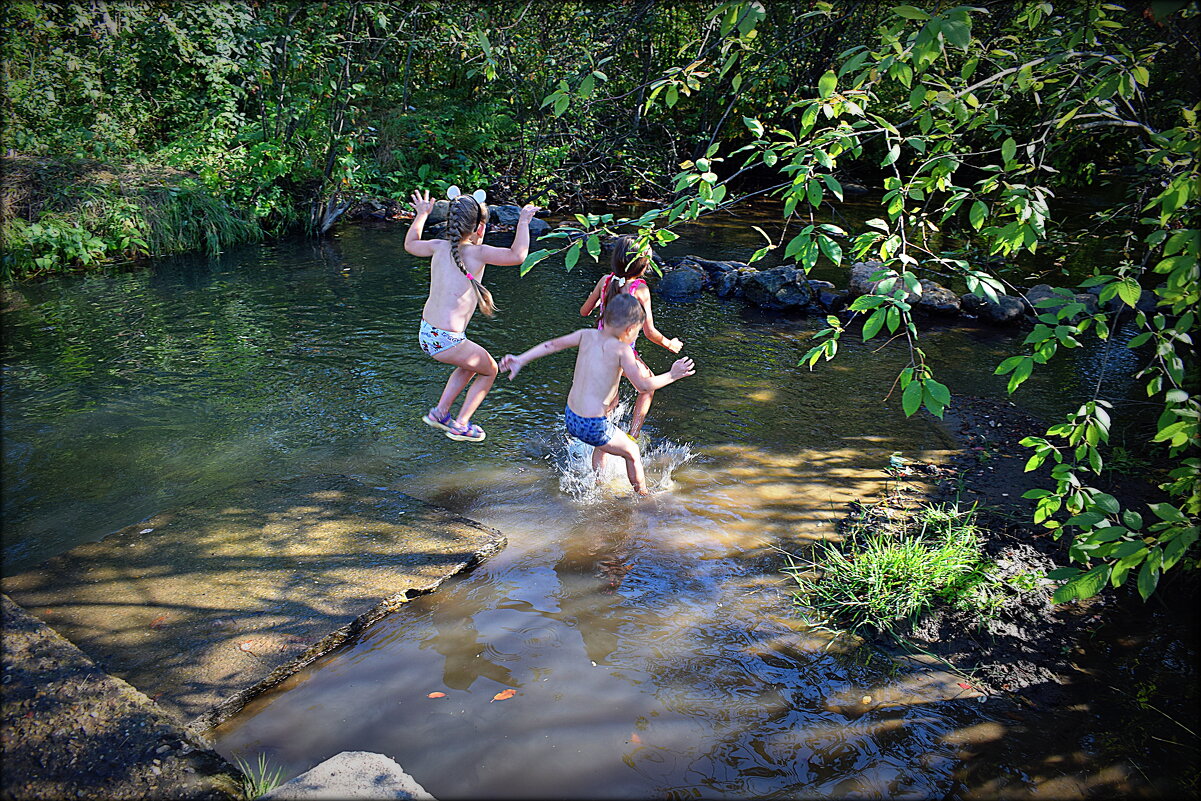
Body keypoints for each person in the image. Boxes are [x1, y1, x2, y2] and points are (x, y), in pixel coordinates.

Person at [500, 293, 695, 495]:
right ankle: (644, 498)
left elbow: (552, 345)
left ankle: (599, 485)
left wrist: (521, 359)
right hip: (592, 425)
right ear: (630, 330)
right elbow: (643, 386)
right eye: (637, 333)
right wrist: (673, 374)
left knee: (605, 440)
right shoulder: (622, 350)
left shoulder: (586, 334)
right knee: (632, 452)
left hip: (571, 417)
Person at [405, 187, 538, 442]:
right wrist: (522, 221)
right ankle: (461, 424)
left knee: (469, 365)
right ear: (479, 228)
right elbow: (518, 255)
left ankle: (440, 413)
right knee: (490, 370)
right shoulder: (478, 252)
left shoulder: (437, 246)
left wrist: (422, 214)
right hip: (447, 339)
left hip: (427, 334)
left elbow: (410, 244)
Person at [579, 235, 683, 439]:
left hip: (598, 351)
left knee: (609, 404)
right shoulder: (640, 289)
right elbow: (649, 332)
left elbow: (584, 311)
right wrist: (670, 344)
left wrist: (602, 302)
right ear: (643, 264)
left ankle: (597, 443)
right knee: (648, 386)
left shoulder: (605, 281)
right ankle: (632, 437)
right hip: (622, 354)